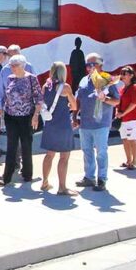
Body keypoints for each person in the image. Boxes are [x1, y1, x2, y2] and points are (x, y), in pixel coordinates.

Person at [74, 53, 119, 192]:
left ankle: (102, 179)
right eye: (88, 65)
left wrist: (104, 98)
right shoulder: (83, 80)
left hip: (101, 123)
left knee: (101, 152)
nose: (90, 67)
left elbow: (116, 101)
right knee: (86, 150)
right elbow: (78, 99)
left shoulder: (107, 79)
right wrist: (74, 116)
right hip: (85, 123)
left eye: (93, 64)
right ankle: (89, 177)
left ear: (100, 65)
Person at [0, 54, 42, 187]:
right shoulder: (10, 78)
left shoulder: (31, 78)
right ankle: (7, 177)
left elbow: (38, 98)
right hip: (11, 116)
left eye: (14, 65)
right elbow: (5, 94)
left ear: (22, 66)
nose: (12, 68)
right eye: (11, 65)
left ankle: (27, 175)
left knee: (26, 145)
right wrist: (1, 108)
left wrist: (36, 115)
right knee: (11, 146)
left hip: (26, 116)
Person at [40, 62, 79, 195]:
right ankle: (62, 187)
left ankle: (44, 182)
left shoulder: (46, 86)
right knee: (64, 157)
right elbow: (74, 106)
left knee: (49, 155)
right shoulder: (65, 87)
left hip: (50, 124)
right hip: (63, 125)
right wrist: (68, 104)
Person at [115, 66, 136, 170]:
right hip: (123, 119)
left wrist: (123, 113)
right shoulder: (121, 89)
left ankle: (134, 161)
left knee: (132, 140)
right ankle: (128, 160)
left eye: (125, 73)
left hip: (133, 118)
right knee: (125, 140)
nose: (122, 75)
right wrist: (118, 113)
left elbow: (134, 103)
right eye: (121, 73)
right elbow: (118, 104)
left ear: (131, 75)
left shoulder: (135, 87)